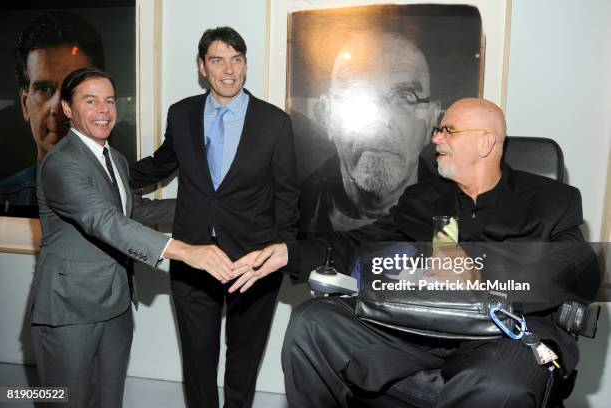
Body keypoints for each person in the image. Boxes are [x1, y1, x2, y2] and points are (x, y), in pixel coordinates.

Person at [231, 98, 600, 407]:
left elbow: (577, 270)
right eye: (438, 130)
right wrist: (289, 254)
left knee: (494, 388)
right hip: (421, 328)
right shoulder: (423, 199)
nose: (436, 138)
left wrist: (482, 272)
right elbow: (361, 244)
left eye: (448, 130)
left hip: (504, 336)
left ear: (485, 142)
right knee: (313, 322)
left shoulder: (550, 201)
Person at [30, 67, 237, 408]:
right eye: (91, 101)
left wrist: (208, 208)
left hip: (116, 304)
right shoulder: (61, 164)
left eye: (109, 101)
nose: (104, 110)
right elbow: (103, 220)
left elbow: (133, 211)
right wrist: (184, 251)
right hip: (69, 310)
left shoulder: (117, 159)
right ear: (68, 109)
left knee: (109, 400)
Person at [129, 27, 299, 407]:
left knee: (244, 358)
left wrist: (280, 252)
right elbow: (162, 164)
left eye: (236, 59)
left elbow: (288, 194)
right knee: (197, 359)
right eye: (218, 60)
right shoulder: (183, 113)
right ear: (201, 67)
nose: (229, 69)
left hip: (252, 262)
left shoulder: (274, 122)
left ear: (246, 65)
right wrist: (108, 170)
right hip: (192, 256)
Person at [300, 31, 440, 233]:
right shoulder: (291, 211)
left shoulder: (457, 214)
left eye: (405, 96)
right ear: (327, 116)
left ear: (430, 121)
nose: (380, 123)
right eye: (356, 95)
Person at [0, 11, 104, 208]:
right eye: (44, 89)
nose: (59, 108)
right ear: (24, 104)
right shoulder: (4, 198)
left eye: (74, 89)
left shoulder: (122, 189)